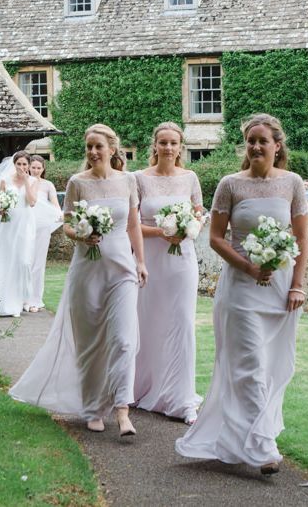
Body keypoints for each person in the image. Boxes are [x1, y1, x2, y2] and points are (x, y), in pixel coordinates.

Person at [175, 114, 308, 475]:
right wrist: (248, 266)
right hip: (240, 288)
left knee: (271, 367)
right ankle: (264, 447)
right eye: (251, 140)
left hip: (280, 289)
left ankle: (239, 440)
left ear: (277, 146)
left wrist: (297, 284)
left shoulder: (293, 184)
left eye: (263, 141)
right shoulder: (230, 184)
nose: (256, 147)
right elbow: (216, 237)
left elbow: (301, 238)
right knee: (249, 364)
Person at [9, 124, 147, 438]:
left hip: (122, 271)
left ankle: (123, 409)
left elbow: (134, 225)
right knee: (90, 345)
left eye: (99, 146)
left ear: (113, 149)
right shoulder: (77, 183)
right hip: (88, 272)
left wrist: (140, 261)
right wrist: (83, 235)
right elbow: (68, 225)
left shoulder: (129, 181)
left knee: (125, 340)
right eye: (89, 147)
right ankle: (94, 408)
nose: (94, 152)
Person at [133, 122, 203, 425]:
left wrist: (188, 227)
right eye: (163, 142)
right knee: (149, 322)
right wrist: (162, 231)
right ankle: (143, 387)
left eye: (174, 143)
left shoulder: (190, 177)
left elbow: (199, 213)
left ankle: (182, 397)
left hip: (182, 261)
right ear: (155, 145)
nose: (169, 148)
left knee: (182, 323)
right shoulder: (138, 179)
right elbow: (131, 224)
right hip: (151, 258)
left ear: (181, 146)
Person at [0, 151, 39, 317]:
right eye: (19, 164)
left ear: (28, 165)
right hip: (8, 224)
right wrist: (0, 209)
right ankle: (2, 301)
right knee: (4, 259)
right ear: (14, 164)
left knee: (23, 261)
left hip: (25, 224)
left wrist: (26, 182)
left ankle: (20, 300)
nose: (22, 167)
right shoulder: (5, 180)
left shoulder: (33, 181)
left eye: (25, 164)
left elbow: (32, 202)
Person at [26, 154, 62, 313]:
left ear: (43, 169)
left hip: (42, 228)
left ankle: (35, 298)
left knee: (38, 263)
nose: (35, 170)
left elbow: (54, 203)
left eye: (38, 168)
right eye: (33, 167)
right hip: (25, 226)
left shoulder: (48, 185)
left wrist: (59, 213)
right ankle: (22, 297)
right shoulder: (23, 182)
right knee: (25, 261)